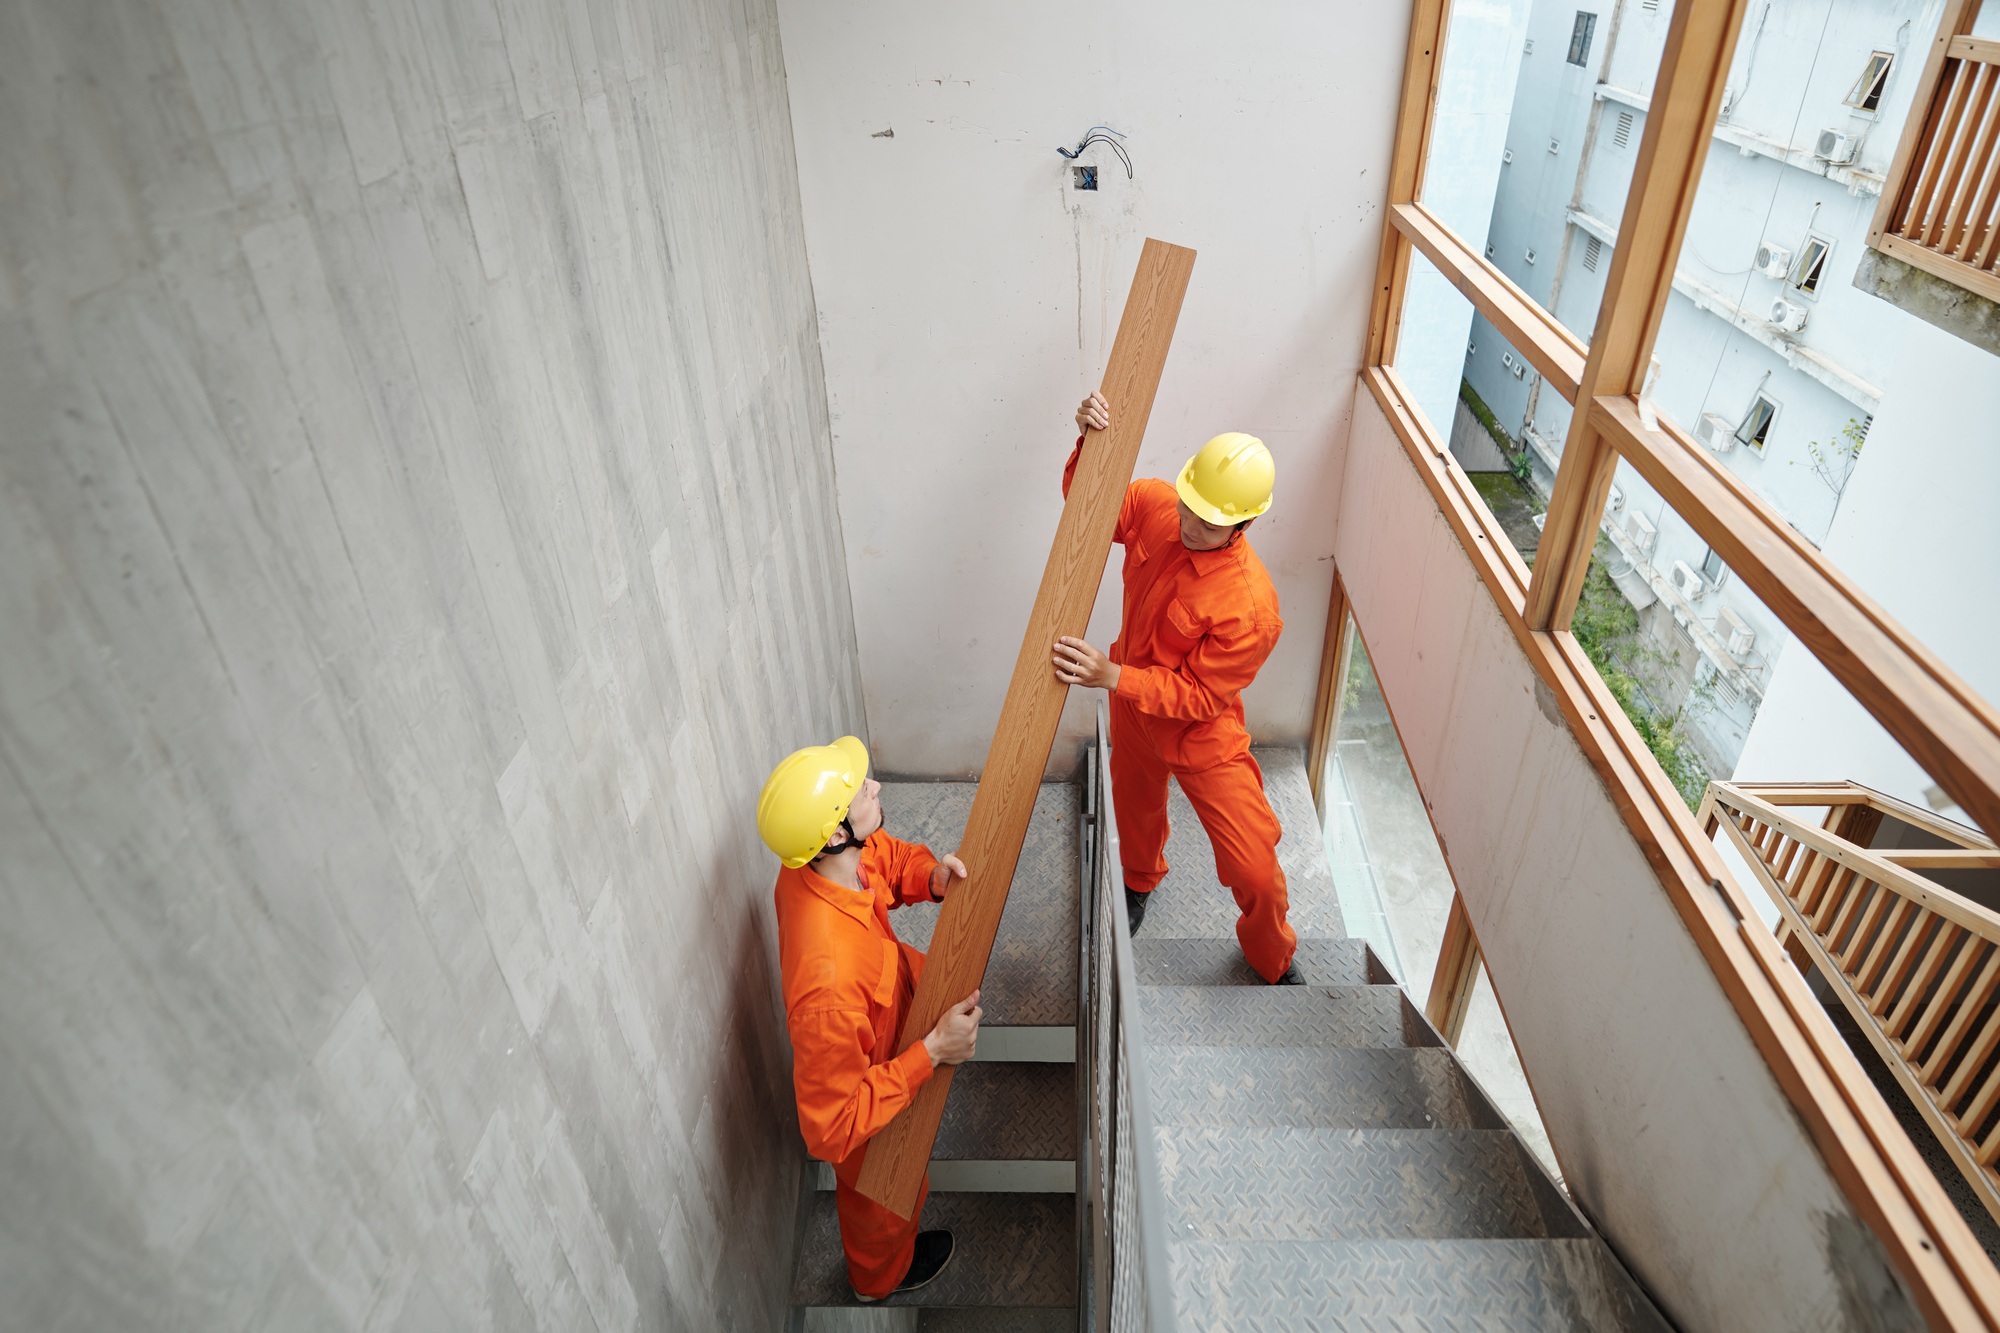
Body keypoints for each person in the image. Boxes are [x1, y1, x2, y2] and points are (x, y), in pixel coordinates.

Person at [1051, 391, 1302, 985]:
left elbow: (1198, 697)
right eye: (1189, 507)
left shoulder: (1251, 607)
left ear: (1244, 523)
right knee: (1134, 811)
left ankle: (1273, 959)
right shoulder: (1159, 504)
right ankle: (1138, 883)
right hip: (1133, 708)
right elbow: (1087, 508)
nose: (1189, 525)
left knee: (1255, 867)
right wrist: (1089, 442)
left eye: (1209, 523)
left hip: (1199, 732)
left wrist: (1112, 676)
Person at [760, 736, 985, 1301]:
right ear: (836, 832)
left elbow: (885, 856)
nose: (876, 786)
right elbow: (833, 1128)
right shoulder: (827, 987)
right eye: (862, 789)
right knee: (886, 1204)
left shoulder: (823, 864)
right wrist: (929, 1053)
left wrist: (932, 877)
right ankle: (878, 1282)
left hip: (888, 1023)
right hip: (869, 1119)